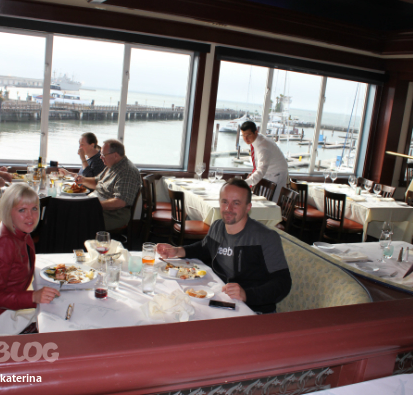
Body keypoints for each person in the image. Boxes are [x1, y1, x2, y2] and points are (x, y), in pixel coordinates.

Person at [157, 178, 291, 314]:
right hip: (221, 299)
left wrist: (247, 294)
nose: (228, 208)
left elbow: (283, 283)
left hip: (253, 310)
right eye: (224, 202)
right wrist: (177, 251)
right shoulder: (217, 226)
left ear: (248, 207)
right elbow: (204, 248)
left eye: (236, 203)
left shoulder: (266, 237)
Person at [0, 184, 60, 336]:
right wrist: (33, 296)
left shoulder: (19, 232)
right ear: (8, 211)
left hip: (0, 313)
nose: (30, 216)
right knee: (54, 329)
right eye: (22, 210)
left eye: (34, 208)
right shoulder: (3, 243)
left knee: (55, 314)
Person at [75, 139, 141, 230]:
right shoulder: (111, 165)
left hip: (114, 214)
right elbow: (97, 182)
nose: (100, 157)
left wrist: (93, 205)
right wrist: (83, 180)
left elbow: (120, 202)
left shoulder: (127, 172)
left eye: (103, 155)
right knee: (72, 210)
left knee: (77, 218)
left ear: (115, 155)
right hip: (99, 204)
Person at [240, 121, 288, 202]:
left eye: (248, 135)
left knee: (271, 203)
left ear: (256, 132)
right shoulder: (257, 140)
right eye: (243, 135)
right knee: (262, 200)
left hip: (277, 174)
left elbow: (261, 170)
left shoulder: (263, 147)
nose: (245, 138)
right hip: (268, 173)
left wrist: (244, 183)